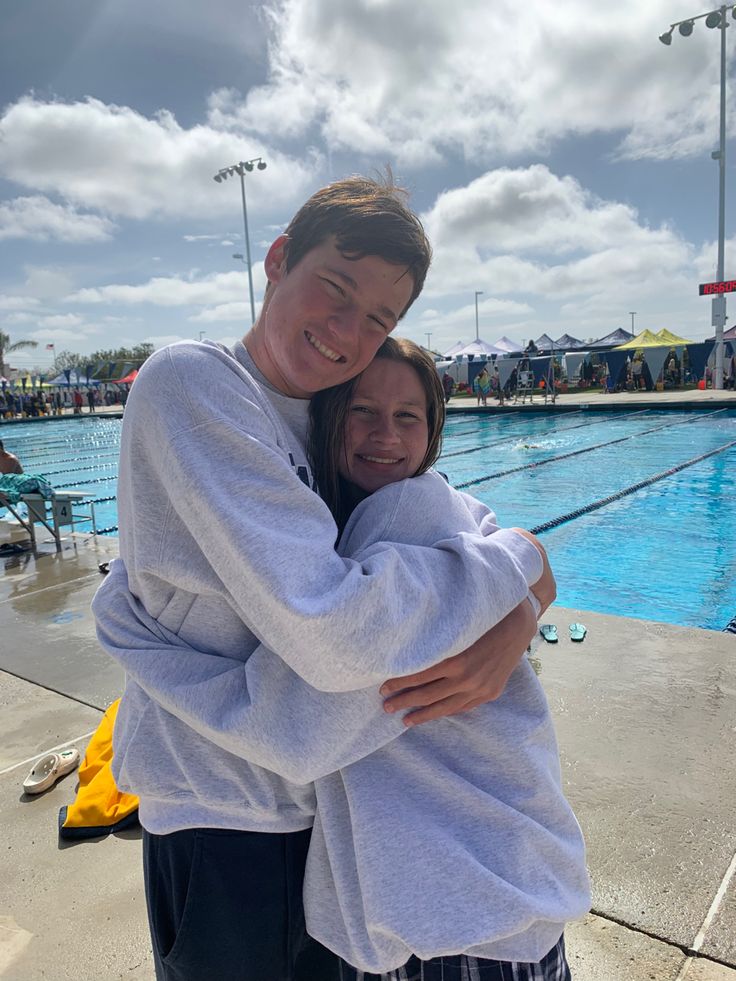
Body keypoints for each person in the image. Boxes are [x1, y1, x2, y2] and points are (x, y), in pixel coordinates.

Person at [92, 176, 552, 981]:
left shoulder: (333, 413)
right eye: (335, 289)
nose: (349, 330)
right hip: (224, 818)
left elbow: (455, 531)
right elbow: (342, 634)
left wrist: (523, 593)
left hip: (329, 829)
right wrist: (510, 578)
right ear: (277, 260)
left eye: (379, 317)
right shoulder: (197, 385)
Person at [304, 338, 589, 979]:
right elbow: (526, 561)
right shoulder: (336, 525)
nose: (386, 434)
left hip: (454, 892)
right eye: (362, 411)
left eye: (409, 416)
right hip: (488, 880)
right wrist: (525, 591)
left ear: (432, 432)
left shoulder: (417, 509)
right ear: (327, 416)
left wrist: (523, 599)